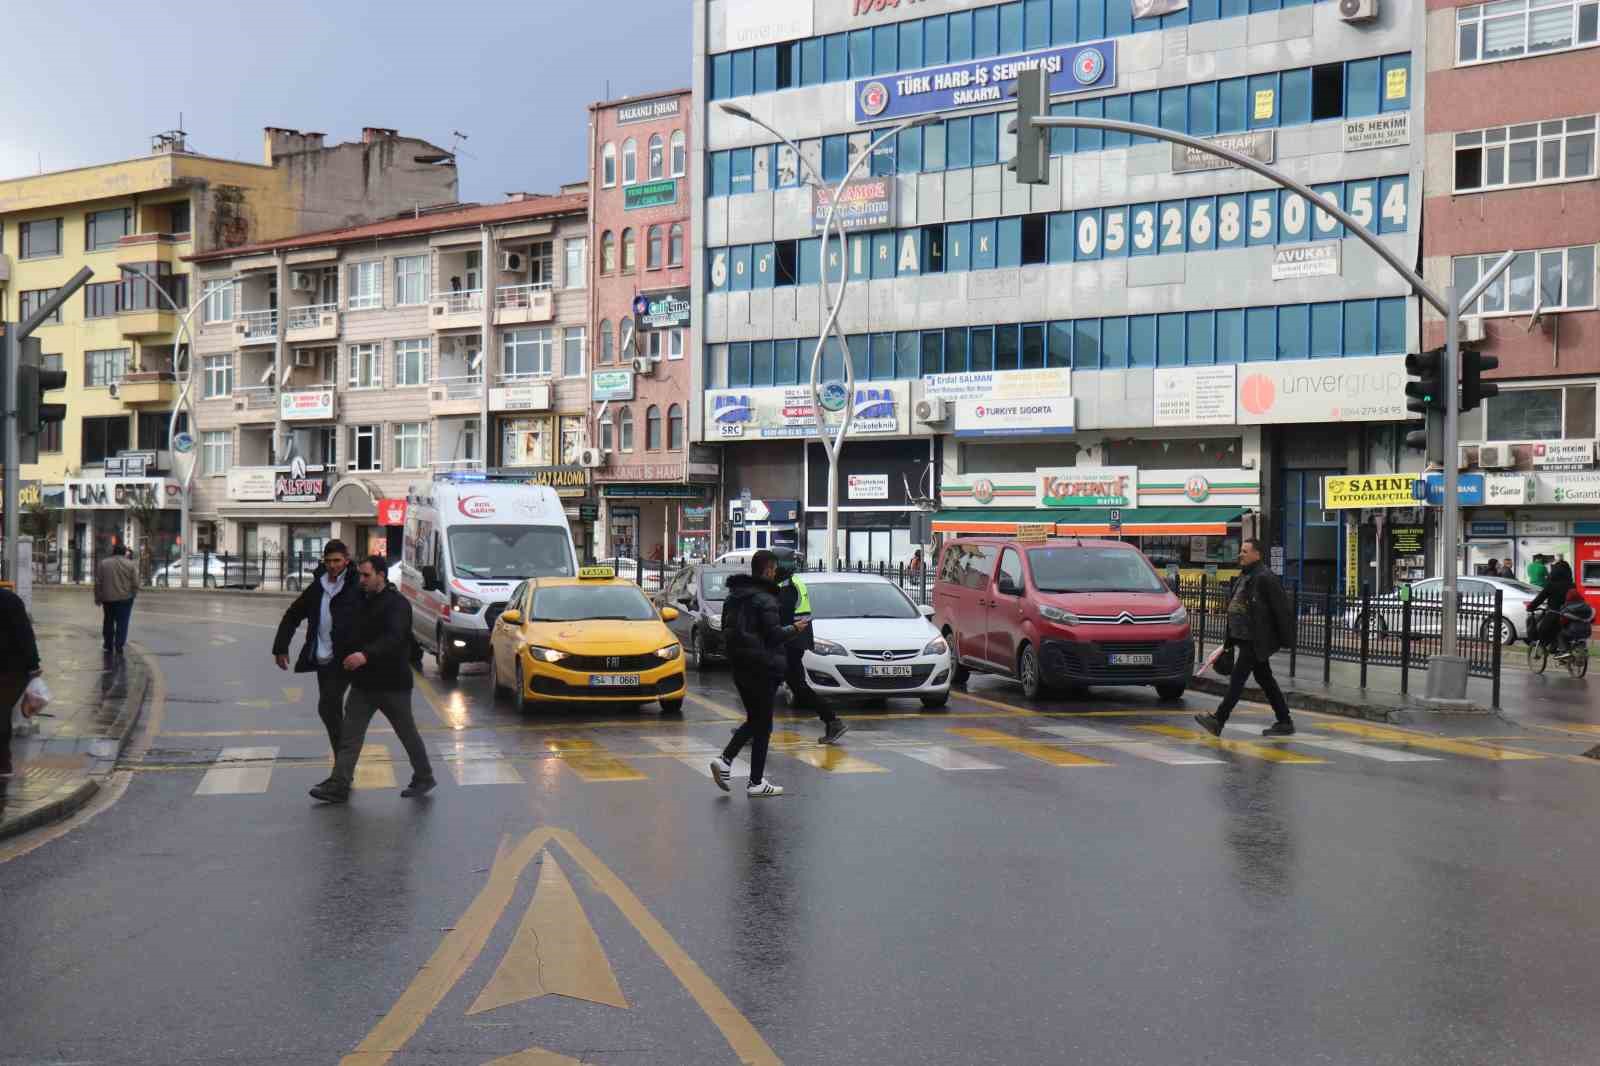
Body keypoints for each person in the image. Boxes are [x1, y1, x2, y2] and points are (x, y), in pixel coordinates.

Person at [310, 556, 435, 804]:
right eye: (360, 575)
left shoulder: (397, 604)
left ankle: (424, 776)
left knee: (406, 733)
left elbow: (395, 637)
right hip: (364, 685)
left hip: (392, 684)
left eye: (367, 576)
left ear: (381, 575)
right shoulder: (361, 600)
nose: (362, 580)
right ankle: (339, 785)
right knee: (350, 736)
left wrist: (365, 655)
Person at [710, 550, 808, 798]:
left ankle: (747, 774)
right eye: (774, 570)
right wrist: (795, 628)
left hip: (740, 667)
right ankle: (735, 767)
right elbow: (774, 635)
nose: (775, 574)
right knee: (762, 724)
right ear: (767, 570)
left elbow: (726, 629)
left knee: (758, 721)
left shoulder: (734, 596)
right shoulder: (766, 599)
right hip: (763, 668)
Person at [1194, 538, 1296, 738]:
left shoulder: (1265, 577)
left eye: (1245, 551)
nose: (1240, 554)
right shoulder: (1245, 575)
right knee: (1264, 678)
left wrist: (1286, 638)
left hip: (1254, 639)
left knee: (1237, 680)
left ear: (1257, 554)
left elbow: (1281, 610)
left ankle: (1218, 720)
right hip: (1243, 637)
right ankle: (1284, 720)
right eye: (1241, 550)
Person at [271, 540, 363, 756]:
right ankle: (343, 762)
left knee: (328, 706)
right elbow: (292, 615)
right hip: (323, 658)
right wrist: (280, 648)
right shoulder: (318, 586)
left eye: (337, 561)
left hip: (346, 659)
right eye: (328, 561)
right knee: (331, 712)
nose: (332, 566)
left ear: (346, 561)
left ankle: (343, 763)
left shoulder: (356, 586)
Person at [777, 563, 847, 745]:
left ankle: (751, 729)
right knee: (797, 687)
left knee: (770, 686)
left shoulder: (787, 587)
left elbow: (781, 617)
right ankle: (832, 721)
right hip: (794, 641)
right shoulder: (793, 582)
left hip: (789, 643)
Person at [1, 586, 42, 779]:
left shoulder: (9, 600)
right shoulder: (10, 600)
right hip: (13, 670)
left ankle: (3, 763)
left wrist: (33, 664)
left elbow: (24, 634)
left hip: (11, 670)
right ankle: (3, 763)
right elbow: (25, 634)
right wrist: (33, 665)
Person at [94, 544, 140, 655]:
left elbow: (98, 582)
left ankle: (108, 644)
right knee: (122, 623)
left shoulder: (104, 563)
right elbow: (136, 583)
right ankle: (119, 645)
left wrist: (98, 597)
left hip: (108, 599)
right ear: (125, 553)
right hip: (125, 599)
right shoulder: (130, 565)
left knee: (108, 621)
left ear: (113, 552)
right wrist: (133, 594)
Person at [1528, 562, 1578, 652]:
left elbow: (1540, 598)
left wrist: (1531, 607)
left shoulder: (1551, 585)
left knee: (1542, 630)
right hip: (1570, 615)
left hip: (1555, 614)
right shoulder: (1572, 585)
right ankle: (1557, 646)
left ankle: (1552, 646)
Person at [1554, 588, 1595, 659]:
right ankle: (1584, 649)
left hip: (1573, 630)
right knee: (1582, 638)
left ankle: (1564, 651)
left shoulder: (1566, 607)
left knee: (1560, 635)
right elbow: (1593, 620)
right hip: (1587, 631)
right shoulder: (1587, 606)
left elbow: (1563, 620)